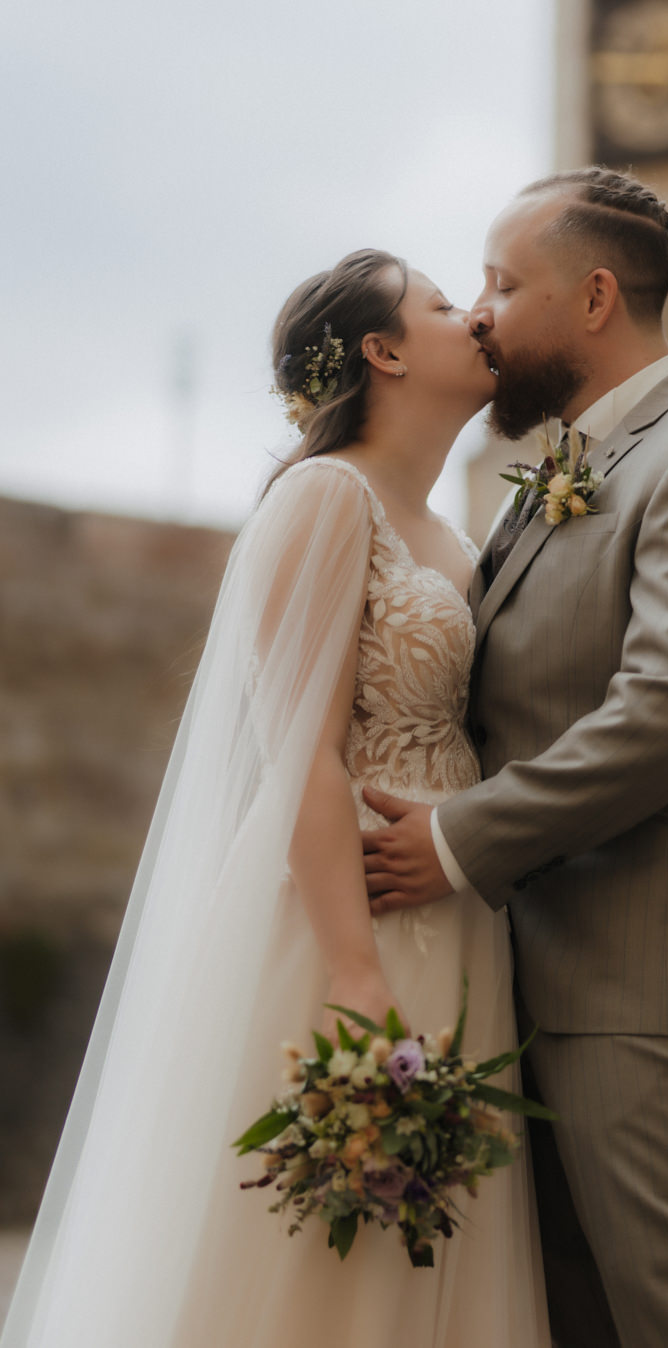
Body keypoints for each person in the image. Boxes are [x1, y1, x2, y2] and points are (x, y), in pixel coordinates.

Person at [1, 250, 550, 1348]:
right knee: (322, 1262)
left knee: (430, 1247)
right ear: (383, 352)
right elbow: (298, 749)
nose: (473, 320)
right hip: (348, 921)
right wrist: (352, 980)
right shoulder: (322, 497)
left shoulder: (450, 534)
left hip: (454, 912)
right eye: (445, 306)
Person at [362, 168, 668, 1348]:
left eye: (506, 285)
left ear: (596, 298)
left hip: (641, 985)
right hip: (525, 973)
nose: (480, 313)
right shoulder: (556, 470)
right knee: (572, 1323)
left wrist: (457, 841)